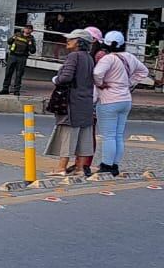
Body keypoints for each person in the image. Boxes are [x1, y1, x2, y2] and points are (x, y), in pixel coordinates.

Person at [93, 31, 148, 175]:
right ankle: (115, 166)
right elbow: (144, 72)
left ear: (105, 43)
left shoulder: (107, 59)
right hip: (125, 99)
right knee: (118, 135)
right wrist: (129, 83)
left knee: (108, 135)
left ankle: (106, 165)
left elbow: (97, 74)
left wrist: (100, 84)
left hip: (108, 100)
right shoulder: (130, 57)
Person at [47, 30, 97, 176]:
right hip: (86, 101)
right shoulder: (89, 58)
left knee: (68, 132)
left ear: (79, 42)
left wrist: (56, 79)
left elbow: (66, 77)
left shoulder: (73, 56)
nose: (68, 41)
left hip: (72, 101)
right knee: (84, 134)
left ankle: (61, 168)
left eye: (71, 39)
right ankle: (80, 168)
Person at [0, 24, 36, 94]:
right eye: (26, 28)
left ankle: (16, 90)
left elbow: (33, 51)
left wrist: (30, 44)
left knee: (19, 74)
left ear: (32, 30)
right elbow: (9, 41)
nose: (27, 29)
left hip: (22, 57)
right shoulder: (17, 34)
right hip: (12, 55)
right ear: (24, 29)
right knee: (8, 73)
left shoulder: (31, 39)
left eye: (29, 29)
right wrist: (13, 38)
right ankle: (5, 89)